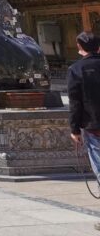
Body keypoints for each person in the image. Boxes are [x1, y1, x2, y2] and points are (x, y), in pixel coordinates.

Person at [69, 30, 100, 228]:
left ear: (80, 48)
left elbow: (75, 103)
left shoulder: (76, 69)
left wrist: (75, 130)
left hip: (93, 127)